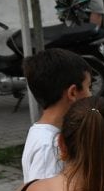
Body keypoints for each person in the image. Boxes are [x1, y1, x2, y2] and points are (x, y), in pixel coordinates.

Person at [21, 48, 91, 182]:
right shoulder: (49, 147)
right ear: (73, 93)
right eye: (89, 87)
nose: (91, 95)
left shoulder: (43, 134)